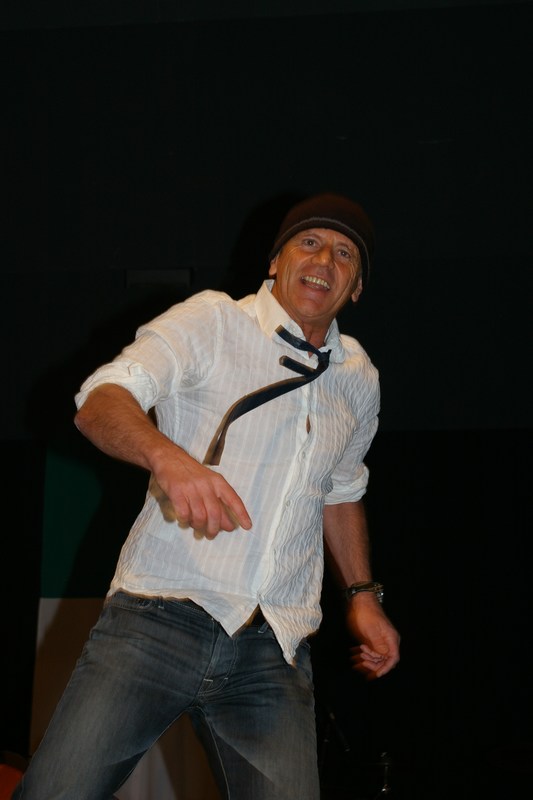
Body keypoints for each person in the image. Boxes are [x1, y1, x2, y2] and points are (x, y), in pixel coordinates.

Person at [13, 192, 400, 800]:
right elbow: (101, 400)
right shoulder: (213, 320)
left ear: (355, 289)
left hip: (275, 649)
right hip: (158, 619)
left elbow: (343, 488)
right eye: (309, 242)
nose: (325, 259)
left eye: (345, 254)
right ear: (275, 261)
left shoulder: (358, 378)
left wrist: (362, 595)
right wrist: (167, 458)